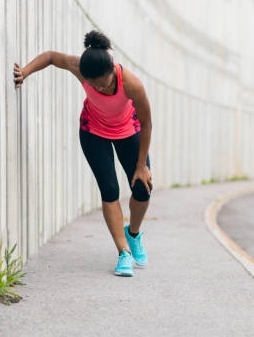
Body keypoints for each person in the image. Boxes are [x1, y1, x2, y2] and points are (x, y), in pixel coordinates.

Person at [13, 30, 153, 277]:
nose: (101, 87)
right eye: (95, 84)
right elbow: (51, 57)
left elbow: (147, 123)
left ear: (113, 72)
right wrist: (25, 71)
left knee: (142, 189)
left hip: (128, 132)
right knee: (109, 190)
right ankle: (123, 254)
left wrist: (141, 165)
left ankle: (133, 234)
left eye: (106, 83)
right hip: (93, 132)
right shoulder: (80, 67)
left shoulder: (132, 84)